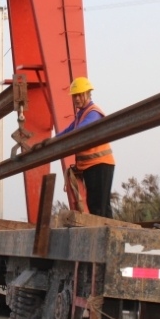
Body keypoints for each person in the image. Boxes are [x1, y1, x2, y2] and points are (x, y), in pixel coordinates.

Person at [52, 77, 116, 218]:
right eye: (75, 95)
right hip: (90, 166)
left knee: (99, 206)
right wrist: (50, 142)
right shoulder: (81, 115)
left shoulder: (93, 113)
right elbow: (67, 132)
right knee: (96, 205)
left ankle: (106, 235)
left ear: (88, 94)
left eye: (80, 95)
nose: (77, 98)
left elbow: (80, 131)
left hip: (100, 164)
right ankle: (106, 235)